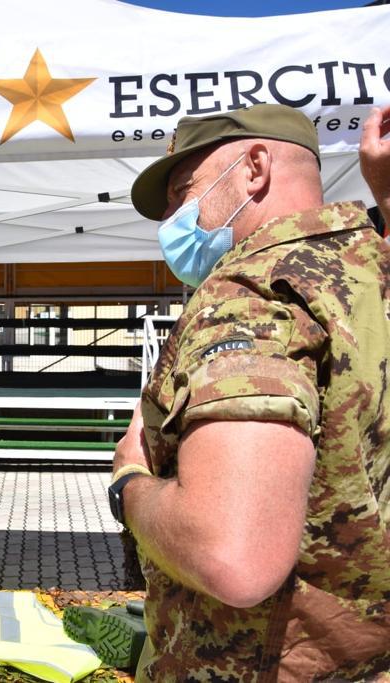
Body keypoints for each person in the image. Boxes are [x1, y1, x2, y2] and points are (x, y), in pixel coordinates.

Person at [108, 102, 390, 680]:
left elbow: (234, 557)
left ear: (254, 168)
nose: (171, 218)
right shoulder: (374, 271)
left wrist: (131, 483)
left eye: (184, 191)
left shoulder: (252, 296)